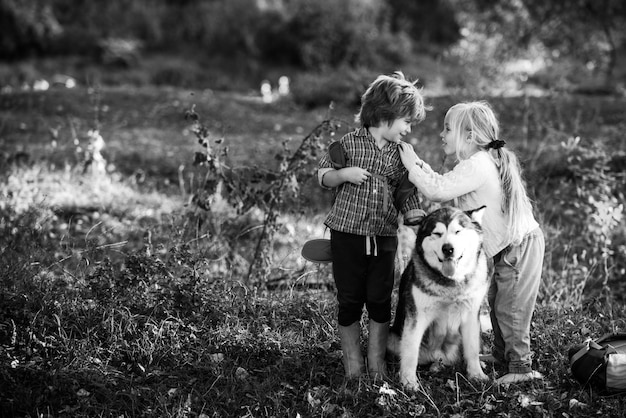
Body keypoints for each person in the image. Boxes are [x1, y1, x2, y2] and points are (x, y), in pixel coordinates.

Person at [397, 100, 545, 384]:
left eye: (447, 128)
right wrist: (418, 166)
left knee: (511, 308)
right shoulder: (476, 163)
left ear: (468, 136)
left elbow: (437, 190)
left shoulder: (477, 164)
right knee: (500, 301)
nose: (441, 133)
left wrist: (411, 164)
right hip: (511, 247)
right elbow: (441, 181)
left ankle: (521, 368)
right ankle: (504, 356)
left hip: (520, 246)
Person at [318, 71, 427, 380]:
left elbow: (405, 191)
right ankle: (353, 366)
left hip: (384, 238)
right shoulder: (347, 146)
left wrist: (414, 213)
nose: (408, 129)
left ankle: (376, 365)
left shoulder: (399, 155)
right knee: (350, 298)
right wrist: (343, 175)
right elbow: (323, 175)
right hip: (347, 235)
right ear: (386, 114)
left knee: (380, 299)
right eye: (406, 121)